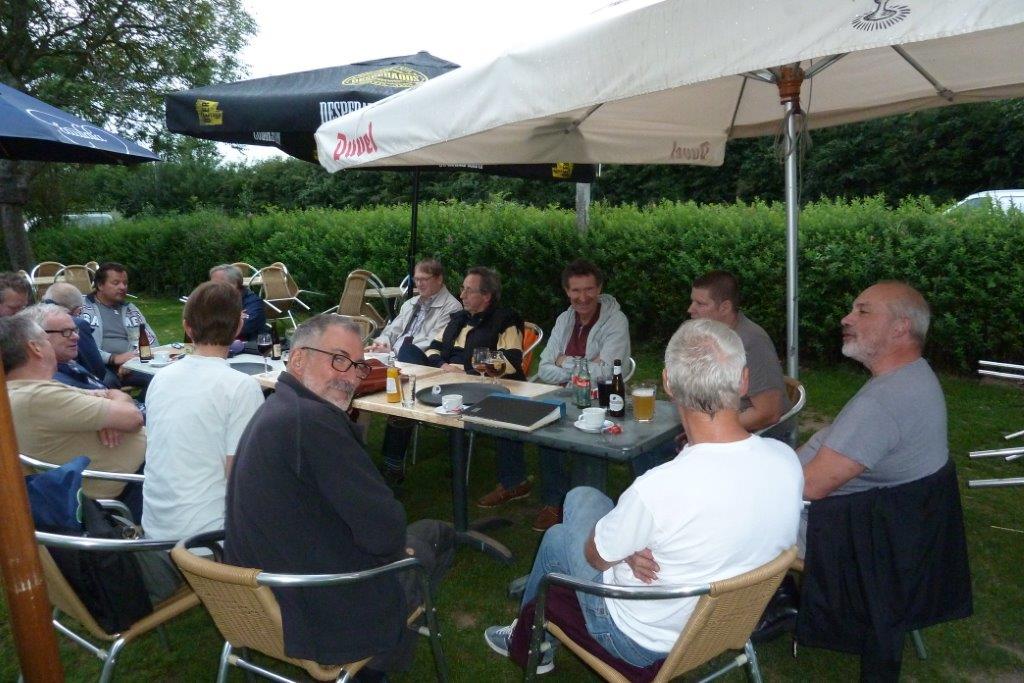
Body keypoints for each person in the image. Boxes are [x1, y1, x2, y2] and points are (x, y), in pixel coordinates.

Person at [483, 319, 803, 673]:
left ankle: (526, 643)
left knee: (559, 538)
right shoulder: (787, 462)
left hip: (639, 640)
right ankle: (534, 632)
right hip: (721, 625)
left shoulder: (659, 489)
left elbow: (594, 557)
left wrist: (619, 554)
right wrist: (629, 550)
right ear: (743, 379)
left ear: (668, 383)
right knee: (581, 496)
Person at [225, 315, 454, 677]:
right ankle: (376, 663)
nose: (350, 376)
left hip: (255, 600)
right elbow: (386, 532)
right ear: (298, 359)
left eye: (358, 367)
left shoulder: (276, 408)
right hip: (317, 614)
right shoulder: (315, 423)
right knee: (436, 536)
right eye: (338, 359)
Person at [798, 281, 949, 531]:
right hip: (888, 522)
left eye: (863, 311)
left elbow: (810, 486)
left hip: (839, 531)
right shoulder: (914, 375)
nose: (846, 319)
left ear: (900, 327)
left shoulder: (881, 403)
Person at [380, 266, 526, 488]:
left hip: (479, 383)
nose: (462, 295)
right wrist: (444, 364)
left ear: (486, 296)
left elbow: (512, 360)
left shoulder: (505, 320)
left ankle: (407, 433)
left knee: (410, 389)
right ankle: (393, 463)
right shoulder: (458, 318)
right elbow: (433, 348)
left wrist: (469, 366)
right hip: (443, 374)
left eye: (469, 290)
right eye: (462, 289)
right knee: (408, 351)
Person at [141, 282, 264, 542]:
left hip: (155, 530)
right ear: (239, 327)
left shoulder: (160, 379)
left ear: (187, 327)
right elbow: (241, 479)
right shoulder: (241, 388)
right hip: (207, 539)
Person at [2, 314, 146, 520]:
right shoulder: (38, 396)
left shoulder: (29, 390)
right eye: (46, 339)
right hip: (134, 486)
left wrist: (112, 410)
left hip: (134, 476)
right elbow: (133, 417)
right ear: (35, 348)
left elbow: (113, 397)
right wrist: (115, 410)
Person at [531, 259, 632, 531]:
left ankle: (588, 510)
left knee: (588, 441)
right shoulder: (565, 318)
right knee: (546, 428)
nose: (583, 297)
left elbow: (608, 370)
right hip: (565, 394)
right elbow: (543, 367)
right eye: (576, 290)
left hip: (603, 397)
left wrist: (565, 362)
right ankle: (554, 502)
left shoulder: (615, 320)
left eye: (589, 289)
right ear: (567, 291)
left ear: (599, 288)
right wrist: (584, 366)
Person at [687, 270, 791, 440]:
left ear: (725, 307)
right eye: (692, 301)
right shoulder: (711, 336)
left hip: (758, 438)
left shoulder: (751, 342)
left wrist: (707, 430)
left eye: (700, 303)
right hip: (717, 425)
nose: (691, 309)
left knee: (656, 453)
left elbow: (768, 413)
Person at [81, 262, 158, 387]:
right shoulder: (82, 308)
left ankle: (141, 406)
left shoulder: (131, 310)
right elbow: (82, 347)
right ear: (100, 285)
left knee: (161, 377)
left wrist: (132, 363)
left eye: (125, 283)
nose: (123, 287)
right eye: (116, 283)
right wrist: (113, 358)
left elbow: (151, 342)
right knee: (106, 382)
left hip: (131, 364)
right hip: (99, 365)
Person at [366, 258, 462, 356]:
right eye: (416, 279)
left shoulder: (451, 307)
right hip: (392, 357)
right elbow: (391, 331)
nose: (419, 284)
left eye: (424, 279)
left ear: (439, 279)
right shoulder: (410, 303)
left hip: (419, 363)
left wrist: (393, 353)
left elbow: (433, 342)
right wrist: (381, 345)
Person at [19, 303, 107, 391]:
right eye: (66, 332)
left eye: (75, 330)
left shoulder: (67, 363)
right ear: (39, 336)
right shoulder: (51, 384)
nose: (76, 337)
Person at [42, 282, 107, 381]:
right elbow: (97, 370)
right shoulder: (78, 324)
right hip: (72, 382)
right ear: (78, 311)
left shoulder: (28, 320)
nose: (75, 336)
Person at [208, 264, 266, 343]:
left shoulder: (253, 302)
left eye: (216, 285)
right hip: (216, 348)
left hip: (247, 350)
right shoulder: (214, 301)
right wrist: (234, 316)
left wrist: (216, 319)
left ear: (234, 284)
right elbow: (199, 325)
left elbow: (244, 328)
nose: (211, 288)